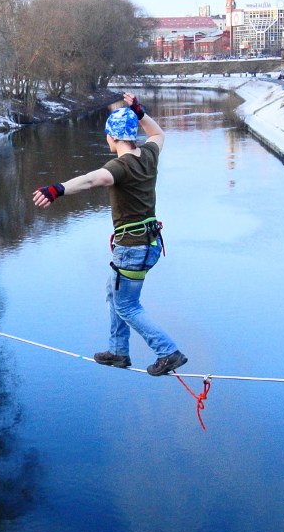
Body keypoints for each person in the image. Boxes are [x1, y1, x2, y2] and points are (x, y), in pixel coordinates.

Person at [31, 94, 187, 377]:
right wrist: (139, 111)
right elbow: (158, 133)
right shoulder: (149, 155)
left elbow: (93, 179)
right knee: (112, 292)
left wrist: (57, 189)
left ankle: (167, 352)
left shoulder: (120, 167)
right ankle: (118, 352)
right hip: (149, 245)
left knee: (126, 305)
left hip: (132, 248)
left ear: (112, 138)